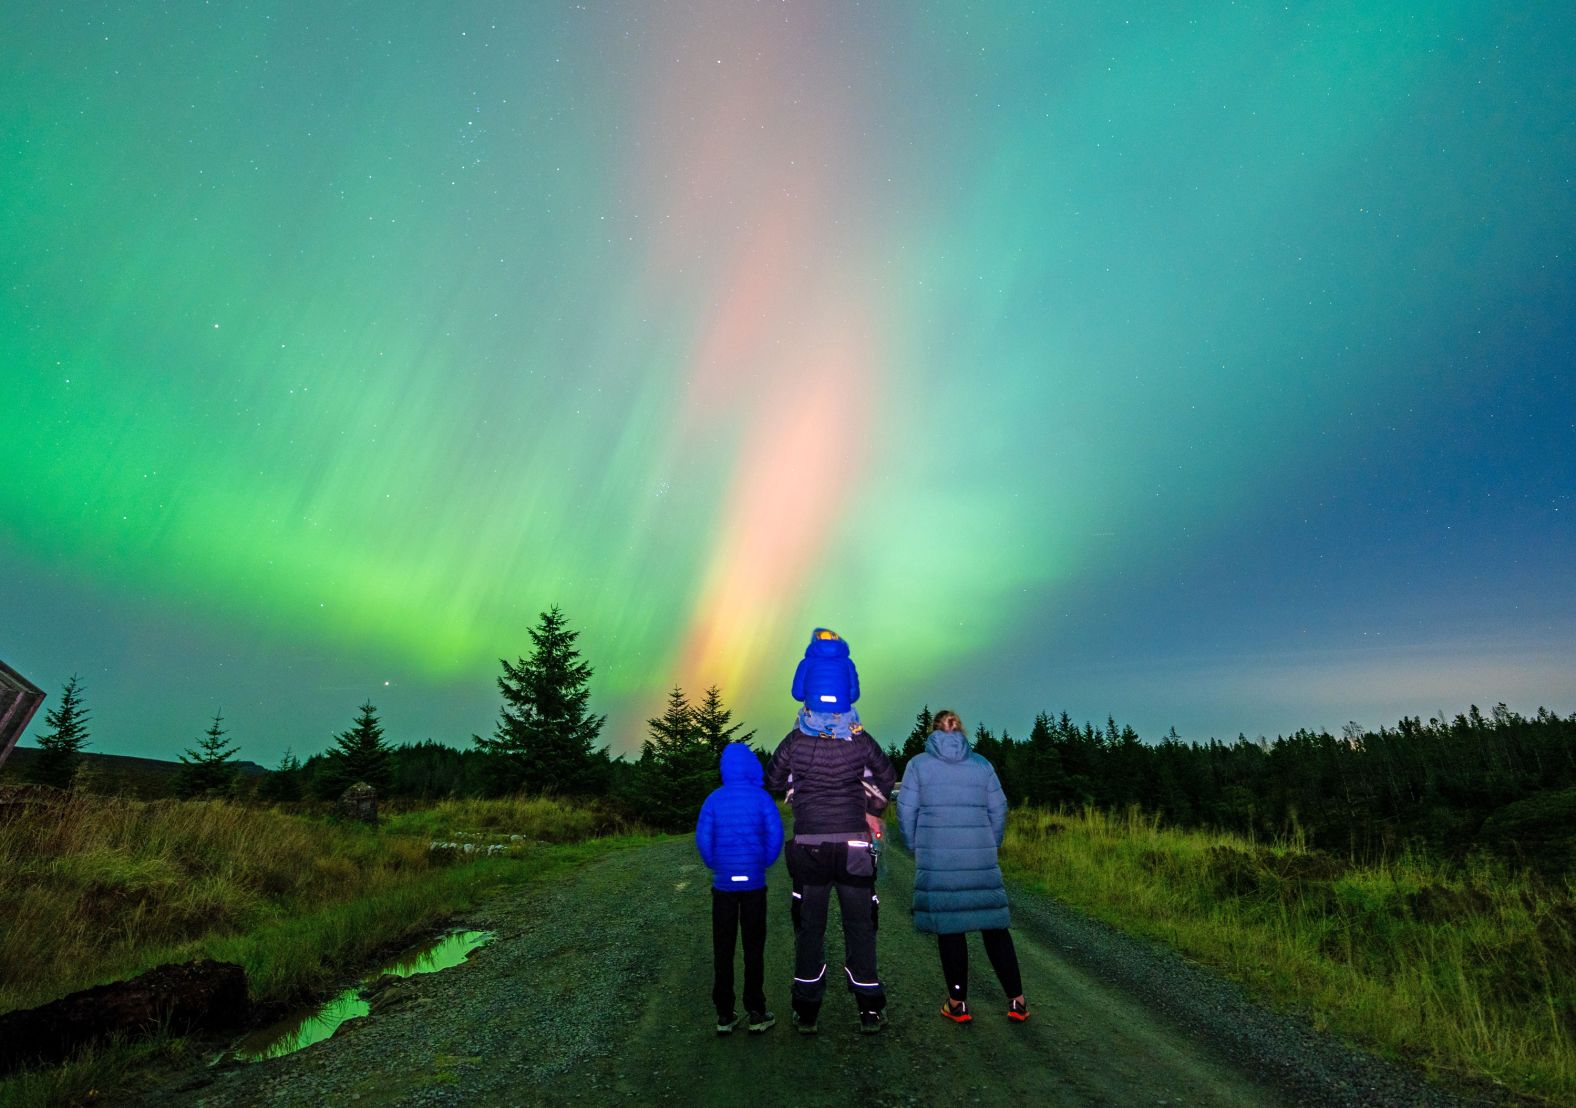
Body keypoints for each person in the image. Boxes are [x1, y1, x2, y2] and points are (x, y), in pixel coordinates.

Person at [766, 628, 896, 1034]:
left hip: (810, 846)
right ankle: (870, 1009)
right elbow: (887, 778)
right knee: (861, 927)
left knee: (810, 928)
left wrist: (795, 791)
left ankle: (806, 1010)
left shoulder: (795, 741)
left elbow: (772, 781)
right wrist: (871, 806)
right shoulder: (860, 741)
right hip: (855, 844)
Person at [896, 708, 1030, 1024]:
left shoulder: (918, 766)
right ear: (960, 731)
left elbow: (905, 812)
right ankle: (1018, 1001)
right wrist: (990, 843)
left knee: (951, 929)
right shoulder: (982, 765)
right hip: (980, 858)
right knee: (995, 928)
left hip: (939, 859)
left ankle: (958, 1004)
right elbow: (999, 808)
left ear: (932, 732)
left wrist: (914, 844)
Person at [695, 742, 786, 1035]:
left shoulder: (713, 799)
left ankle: (724, 1015)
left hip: (723, 886)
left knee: (723, 949)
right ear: (750, 766)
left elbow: (703, 841)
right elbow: (775, 837)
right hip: (754, 885)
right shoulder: (761, 799)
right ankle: (756, 1011)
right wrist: (760, 865)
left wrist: (718, 866)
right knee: (753, 948)